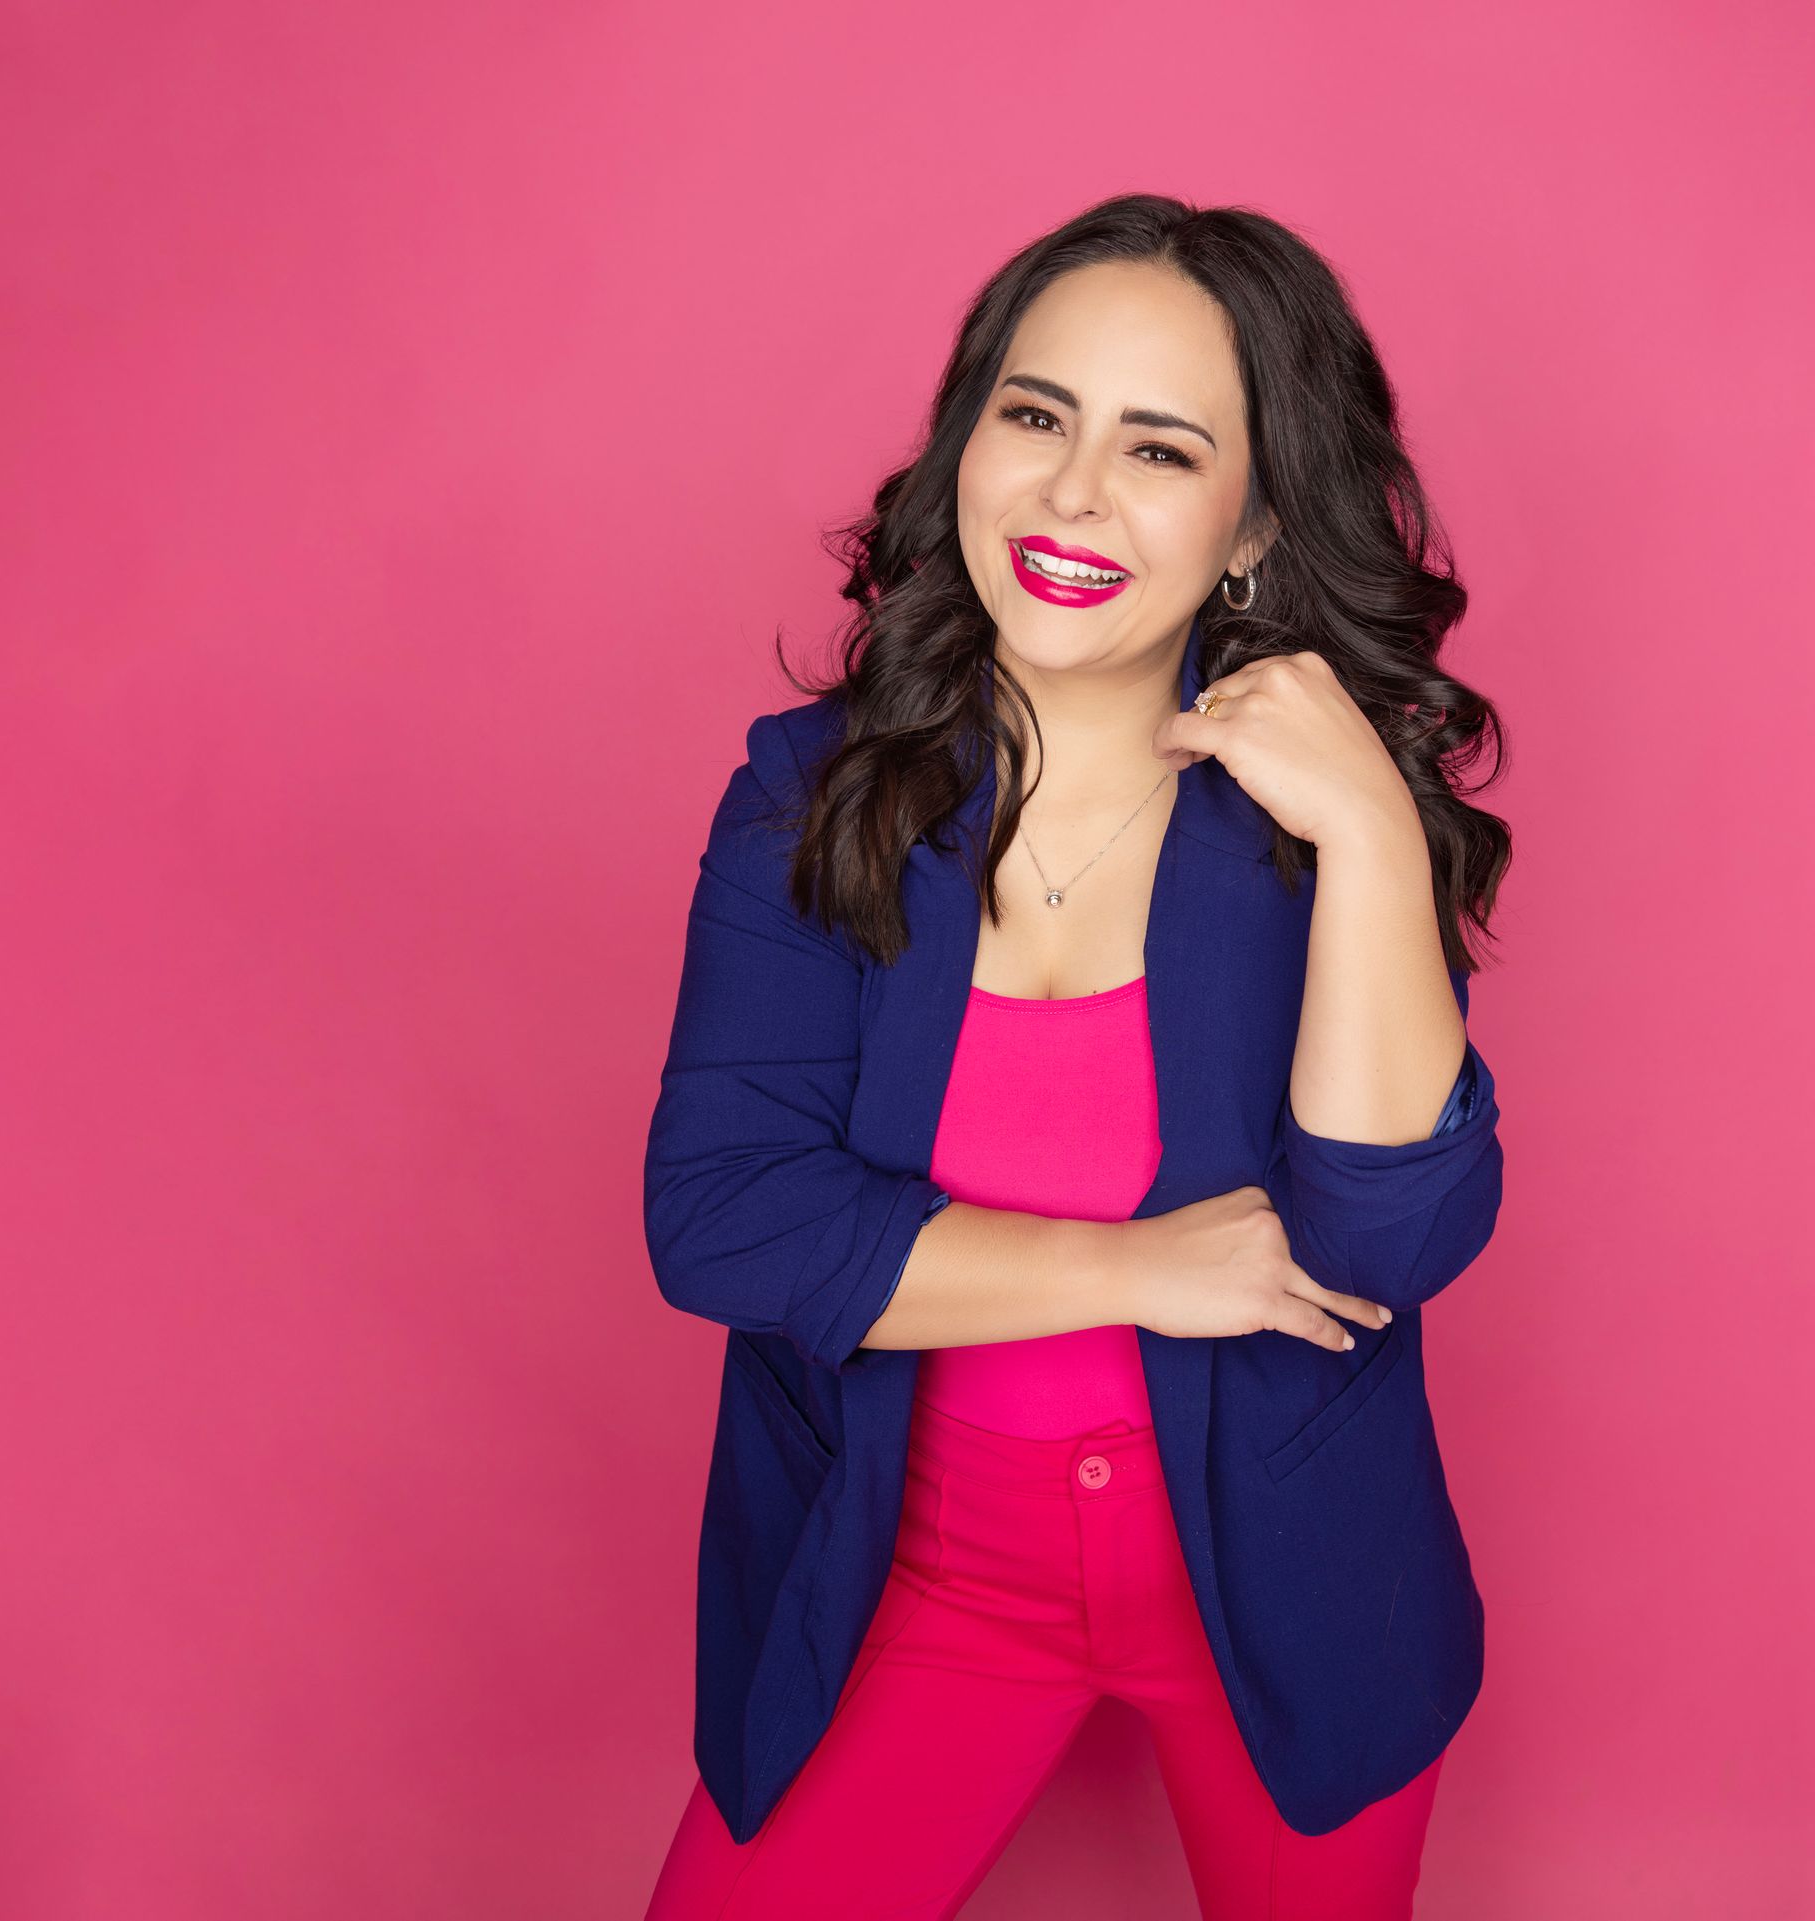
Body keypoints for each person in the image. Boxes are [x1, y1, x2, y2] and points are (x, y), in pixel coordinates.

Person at [642, 192, 1508, 1919]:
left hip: (1291, 1590)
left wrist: (1370, 833)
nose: (1073, 492)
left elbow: (1386, 1241)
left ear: (1253, 527)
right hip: (912, 1583)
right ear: (968, 440)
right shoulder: (808, 796)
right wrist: (1137, 1271)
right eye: (1036, 415)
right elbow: (723, 1219)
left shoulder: (1314, 821)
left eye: (1160, 448)